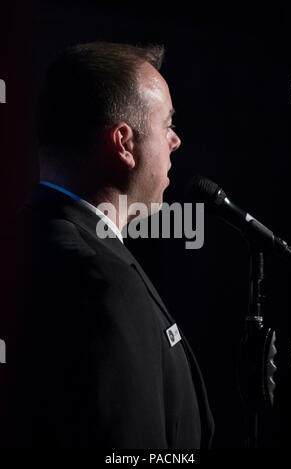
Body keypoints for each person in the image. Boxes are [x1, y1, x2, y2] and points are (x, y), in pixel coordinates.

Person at [2, 41, 214, 448]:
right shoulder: (101, 279)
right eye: (167, 124)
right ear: (124, 143)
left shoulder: (20, 245)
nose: (176, 141)